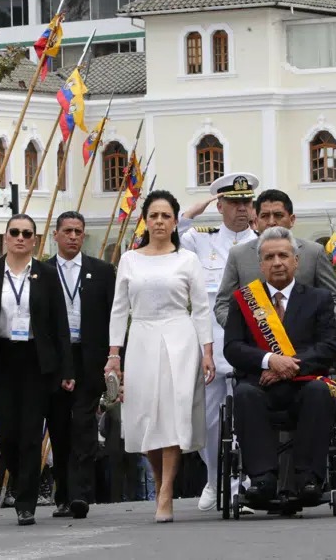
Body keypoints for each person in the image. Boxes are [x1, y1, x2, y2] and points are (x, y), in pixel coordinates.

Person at [105, 190, 216, 523]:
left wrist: (206, 350)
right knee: (143, 417)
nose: (159, 221)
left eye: (166, 216)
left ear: (174, 221)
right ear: (145, 220)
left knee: (171, 414)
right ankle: (157, 481)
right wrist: (114, 354)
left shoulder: (187, 260)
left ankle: (166, 492)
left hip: (179, 340)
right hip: (140, 337)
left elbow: (200, 308)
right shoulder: (129, 259)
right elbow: (118, 309)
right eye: (153, 215)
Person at [0, 214, 75, 527]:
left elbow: (60, 326)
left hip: (37, 359)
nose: (20, 238)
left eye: (27, 233)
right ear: (6, 238)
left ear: (35, 240)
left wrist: (67, 368)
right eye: (15, 232)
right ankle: (21, 478)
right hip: (3, 356)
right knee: (8, 432)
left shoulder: (47, 274)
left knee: (30, 432)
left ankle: (25, 501)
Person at [223, 226, 336, 506]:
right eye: (270, 257)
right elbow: (233, 347)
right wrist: (269, 360)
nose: (277, 262)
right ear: (260, 264)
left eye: (283, 256)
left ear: (295, 261)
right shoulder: (243, 301)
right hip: (259, 385)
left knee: (318, 392)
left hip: (305, 384)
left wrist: (288, 366)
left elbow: (328, 347)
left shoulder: (319, 299)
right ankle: (263, 479)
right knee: (244, 395)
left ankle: (309, 479)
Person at [177, 172, 258, 512]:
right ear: (220, 205)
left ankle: (245, 484)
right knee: (209, 420)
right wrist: (195, 210)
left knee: (249, 418)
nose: (241, 209)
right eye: (234, 203)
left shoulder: (263, 244)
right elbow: (170, 231)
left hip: (252, 346)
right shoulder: (202, 240)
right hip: (211, 344)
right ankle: (214, 478)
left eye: (246, 203)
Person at [45, 210, 116, 520]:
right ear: (56, 235)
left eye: (78, 231)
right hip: (56, 360)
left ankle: (81, 495)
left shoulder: (101, 271)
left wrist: (115, 359)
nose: (73, 236)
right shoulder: (42, 272)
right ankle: (62, 493)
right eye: (68, 231)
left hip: (89, 358)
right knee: (59, 427)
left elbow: (114, 316)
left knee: (84, 425)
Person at [214, 189, 336, 328]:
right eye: (265, 216)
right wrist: (240, 331)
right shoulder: (239, 255)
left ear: (292, 219)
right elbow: (223, 304)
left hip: (307, 346)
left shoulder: (313, 252)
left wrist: (322, 330)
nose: (271, 222)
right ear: (256, 220)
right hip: (256, 346)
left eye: (278, 215)